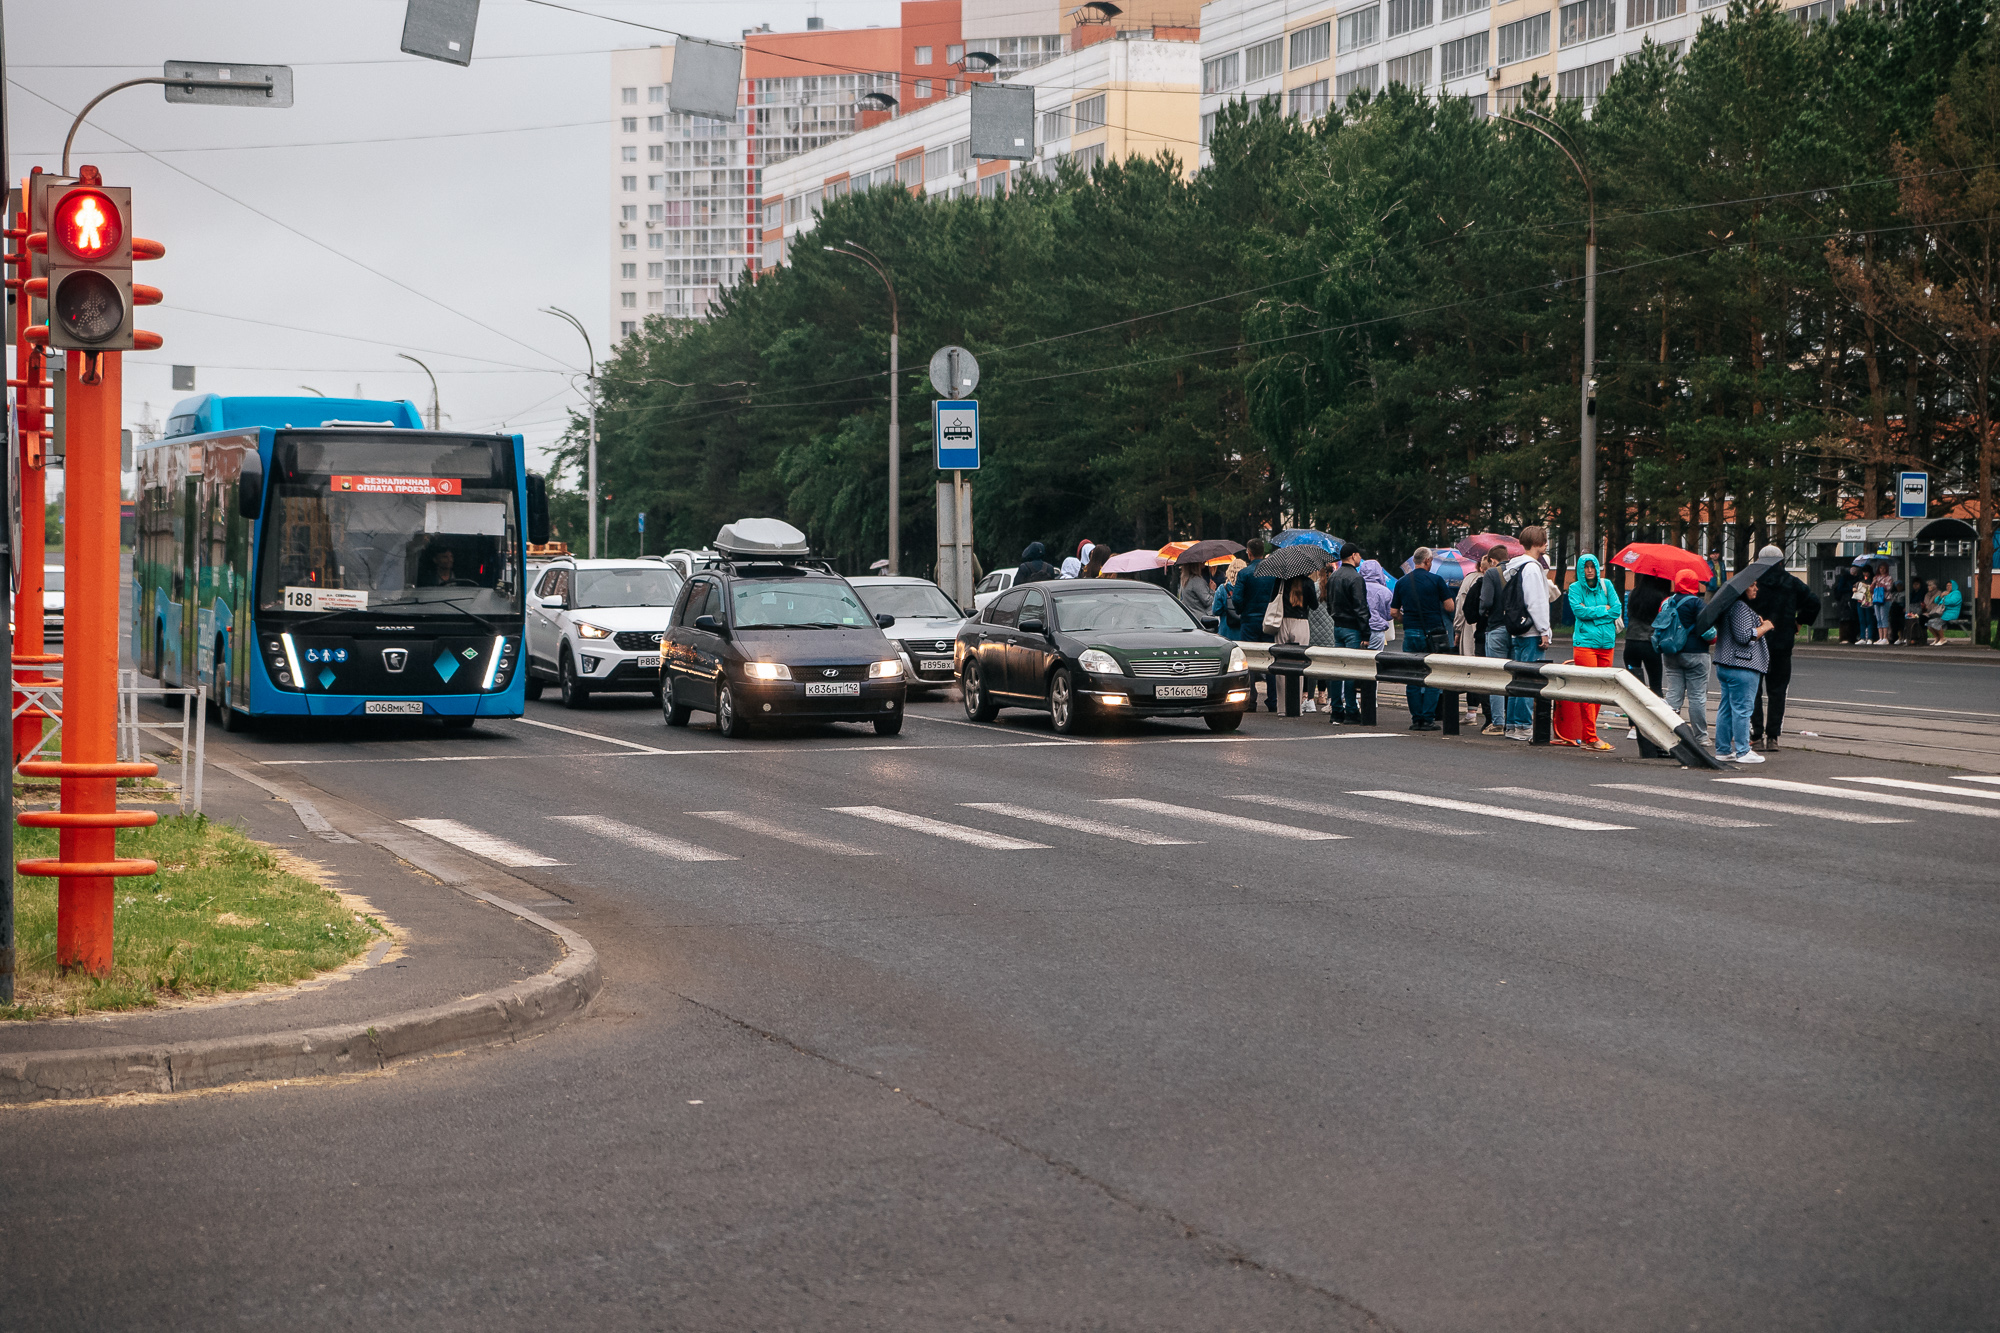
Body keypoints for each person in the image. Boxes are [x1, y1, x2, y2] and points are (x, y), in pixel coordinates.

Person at [1748, 544, 1819, 750]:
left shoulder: (1753, 582)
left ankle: (1756, 735)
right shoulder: (1792, 583)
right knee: (1777, 691)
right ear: (1781, 561)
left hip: (1755, 643)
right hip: (1782, 643)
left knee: (1754, 691)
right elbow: (1813, 602)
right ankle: (1773, 737)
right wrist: (1799, 621)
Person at [1487, 526, 1553, 741]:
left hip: (1518, 630)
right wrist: (1544, 630)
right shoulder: (1532, 568)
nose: (1546, 543)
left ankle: (1513, 725)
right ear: (1537, 543)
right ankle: (1524, 725)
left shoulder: (1516, 566)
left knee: (1518, 679)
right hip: (1532, 631)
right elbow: (1536, 602)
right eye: (1544, 540)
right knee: (1530, 680)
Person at [1563, 553, 1624, 751]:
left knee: (1600, 690)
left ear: (1597, 568)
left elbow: (1616, 609)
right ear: (1581, 569)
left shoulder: (1606, 585)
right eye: (1586, 567)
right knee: (1589, 690)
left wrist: (1595, 615)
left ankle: (1589, 734)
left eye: (1592, 566)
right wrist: (1602, 612)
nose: (1589, 570)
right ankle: (1590, 736)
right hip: (1585, 644)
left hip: (1606, 644)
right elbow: (1579, 612)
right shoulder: (1574, 588)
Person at [1389, 546, 1454, 731]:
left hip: (1410, 632)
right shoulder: (1437, 580)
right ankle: (1427, 718)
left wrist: (1406, 618)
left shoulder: (1402, 582)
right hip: (1433, 633)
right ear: (1427, 561)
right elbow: (1449, 607)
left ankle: (1416, 718)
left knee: (1412, 676)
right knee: (1432, 675)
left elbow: (1394, 612)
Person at [1655, 569, 1716, 754]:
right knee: (1697, 697)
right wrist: (1715, 638)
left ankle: (1668, 734)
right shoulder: (1698, 603)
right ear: (1694, 584)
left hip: (1670, 653)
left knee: (1673, 695)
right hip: (1696, 654)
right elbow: (1708, 633)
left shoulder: (1666, 602)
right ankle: (1701, 737)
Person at [1713, 579, 1773, 763]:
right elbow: (1744, 636)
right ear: (1741, 589)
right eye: (1751, 585)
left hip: (1726, 664)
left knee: (1726, 709)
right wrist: (1765, 626)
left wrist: (1756, 622)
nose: (1756, 588)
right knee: (1742, 710)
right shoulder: (1740, 607)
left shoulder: (1729, 606)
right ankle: (1743, 751)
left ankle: (1723, 750)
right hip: (1742, 665)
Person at [1231, 541, 1281, 711]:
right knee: (1270, 659)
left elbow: (1237, 599)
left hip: (1249, 620)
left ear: (1249, 552)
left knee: (1250, 660)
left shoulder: (1244, 573)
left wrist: (1242, 610)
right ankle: (1273, 700)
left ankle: (1251, 700)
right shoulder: (1273, 573)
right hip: (1269, 620)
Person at [1327, 545, 1369, 722]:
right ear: (1353, 555)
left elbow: (1329, 604)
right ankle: (1352, 710)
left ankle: (1336, 709)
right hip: (1352, 627)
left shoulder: (1334, 576)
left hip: (1337, 625)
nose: (1360, 558)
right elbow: (1361, 607)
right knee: (1351, 670)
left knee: (1337, 670)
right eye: (1359, 555)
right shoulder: (1356, 578)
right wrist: (1366, 633)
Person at [1472, 551, 1510, 735]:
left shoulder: (1492, 573)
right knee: (1515, 677)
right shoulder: (1518, 571)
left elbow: (1485, 601)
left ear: (1493, 559)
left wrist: (1482, 611)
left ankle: (1498, 722)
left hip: (1496, 628)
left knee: (1497, 677)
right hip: (1517, 629)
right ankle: (1514, 720)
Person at [1831, 563, 1861, 644]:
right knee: (1846, 619)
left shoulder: (1855, 578)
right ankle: (1845, 637)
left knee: (1852, 619)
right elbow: (1840, 589)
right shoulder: (1844, 578)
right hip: (1845, 600)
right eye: (1854, 572)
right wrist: (1851, 588)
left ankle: (1852, 637)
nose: (1855, 574)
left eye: (1856, 573)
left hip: (1853, 600)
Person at [1931, 578, 1963, 646]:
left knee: (1937, 622)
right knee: (1929, 623)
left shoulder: (1957, 593)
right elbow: (1936, 601)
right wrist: (1941, 596)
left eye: (1950, 585)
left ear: (1954, 586)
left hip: (1952, 613)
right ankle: (1937, 638)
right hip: (1944, 612)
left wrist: (1943, 600)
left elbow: (1952, 602)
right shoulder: (1945, 593)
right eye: (1947, 585)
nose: (1948, 587)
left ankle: (1942, 639)